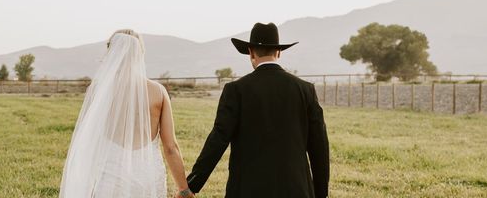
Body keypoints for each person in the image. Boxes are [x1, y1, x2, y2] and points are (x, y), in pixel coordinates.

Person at [186, 22, 330, 198]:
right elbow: (319, 148)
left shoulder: (235, 90)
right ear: (279, 52)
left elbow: (218, 140)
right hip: (296, 189)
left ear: (251, 53)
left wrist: (192, 185)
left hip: (247, 189)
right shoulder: (305, 89)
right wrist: (321, 194)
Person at [59, 29, 194, 198]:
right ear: (140, 54)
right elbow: (170, 147)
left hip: (110, 175)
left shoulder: (98, 91)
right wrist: (183, 188)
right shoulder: (158, 91)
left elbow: (88, 141)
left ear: (112, 53)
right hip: (147, 176)